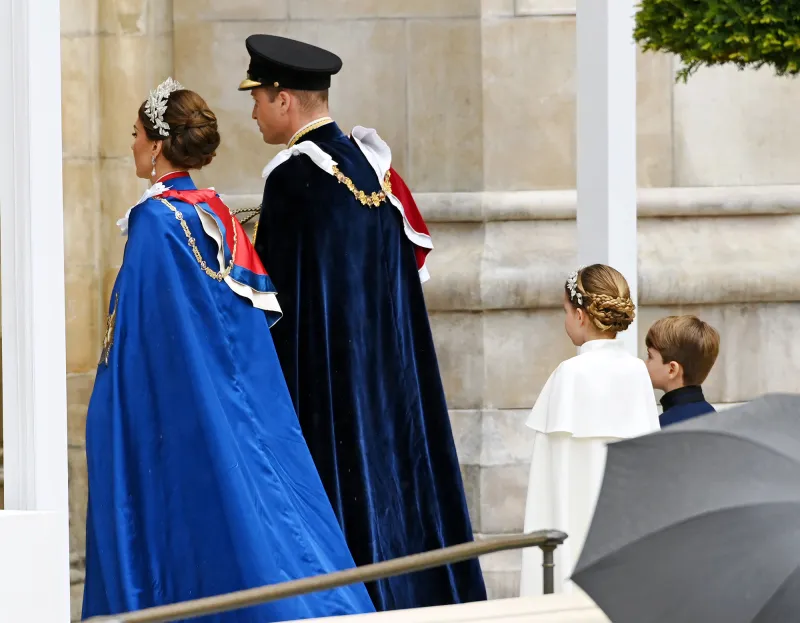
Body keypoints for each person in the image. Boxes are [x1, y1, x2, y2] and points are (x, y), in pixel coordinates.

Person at [81, 78, 375, 622]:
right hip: (235, 405)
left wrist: (110, 411)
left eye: (135, 134)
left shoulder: (155, 222)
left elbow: (136, 337)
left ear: (158, 145)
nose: (131, 144)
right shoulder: (217, 214)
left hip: (176, 410)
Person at [237, 34, 487, 610]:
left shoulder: (294, 179)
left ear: (284, 99)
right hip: (387, 384)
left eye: (257, 97)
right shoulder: (367, 166)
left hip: (329, 390)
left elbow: (280, 309)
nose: (251, 111)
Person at [519, 264, 660, 596]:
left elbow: (548, 483)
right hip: (624, 542)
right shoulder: (638, 373)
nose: (566, 320)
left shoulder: (570, 374)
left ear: (581, 315)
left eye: (566, 311)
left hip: (571, 543)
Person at [645, 315, 721, 427]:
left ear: (672, 369)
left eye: (650, 356)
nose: (644, 363)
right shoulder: (710, 413)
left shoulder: (664, 426)